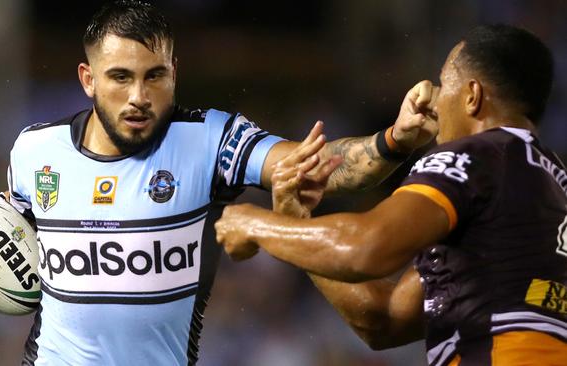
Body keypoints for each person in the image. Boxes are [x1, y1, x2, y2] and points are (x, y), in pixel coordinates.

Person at [0, 1, 436, 365]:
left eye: (155, 76)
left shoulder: (209, 139)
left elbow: (320, 167)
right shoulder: (34, 150)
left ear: (174, 72)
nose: (139, 95)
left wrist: (393, 139)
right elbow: (11, 246)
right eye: (120, 77)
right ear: (88, 78)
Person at [216, 24, 567, 365]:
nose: (434, 98)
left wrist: (255, 223)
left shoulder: (475, 157)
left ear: (472, 96)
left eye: (444, 83)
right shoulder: (549, 186)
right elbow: (385, 320)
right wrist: (294, 220)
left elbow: (366, 248)